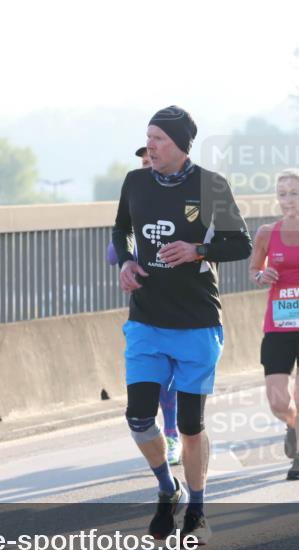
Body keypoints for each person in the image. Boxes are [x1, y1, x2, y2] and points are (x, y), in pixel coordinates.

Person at [113, 106, 252, 545]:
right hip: (147, 320)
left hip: (196, 322)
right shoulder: (135, 181)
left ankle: (197, 506)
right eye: (148, 137)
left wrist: (198, 251)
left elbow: (241, 244)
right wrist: (127, 262)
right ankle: (165, 487)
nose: (150, 145)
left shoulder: (209, 186)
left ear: (180, 145)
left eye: (159, 139)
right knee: (138, 418)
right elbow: (121, 230)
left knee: (191, 426)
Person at [249, 169, 299, 480]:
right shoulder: (267, 233)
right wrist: (261, 276)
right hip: (278, 326)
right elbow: (255, 269)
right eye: (282, 194)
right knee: (278, 400)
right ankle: (292, 423)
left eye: (294, 193)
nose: (288, 200)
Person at [107, 147, 181, 466]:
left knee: (179, 379)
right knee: (158, 378)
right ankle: (171, 435)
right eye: (143, 162)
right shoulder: (136, 206)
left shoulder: (182, 202)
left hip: (184, 306)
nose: (148, 166)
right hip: (147, 309)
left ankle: (180, 432)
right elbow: (112, 254)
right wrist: (128, 250)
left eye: (152, 160)